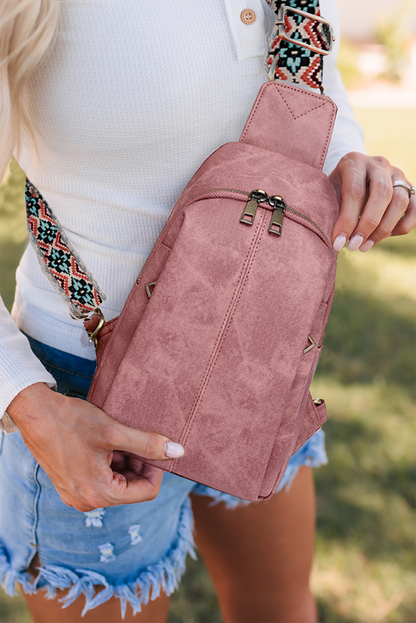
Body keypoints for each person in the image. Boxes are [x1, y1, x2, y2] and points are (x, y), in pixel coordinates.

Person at [0, 1, 415, 622]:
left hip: (259, 366)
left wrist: (349, 168)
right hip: (83, 406)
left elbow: (311, 81)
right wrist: (32, 407)